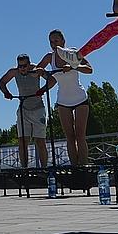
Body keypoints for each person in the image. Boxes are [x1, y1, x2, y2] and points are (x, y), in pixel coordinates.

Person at [37, 30, 93, 167]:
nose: (53, 44)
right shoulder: (49, 57)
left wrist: (75, 66)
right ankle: (75, 168)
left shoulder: (73, 53)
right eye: (51, 41)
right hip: (63, 101)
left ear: (63, 41)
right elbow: (39, 70)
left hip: (80, 98)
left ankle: (84, 167)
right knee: (70, 136)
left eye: (56, 41)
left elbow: (90, 69)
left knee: (80, 135)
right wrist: (41, 73)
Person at [0, 54, 53, 169]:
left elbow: (52, 80)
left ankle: (44, 170)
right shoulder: (14, 72)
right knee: (23, 142)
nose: (22, 68)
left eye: (24, 65)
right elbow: (1, 82)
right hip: (23, 109)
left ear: (29, 64)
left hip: (38, 108)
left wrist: (42, 90)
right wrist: (6, 92)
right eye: (20, 66)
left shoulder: (36, 70)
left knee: (40, 141)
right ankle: (25, 170)